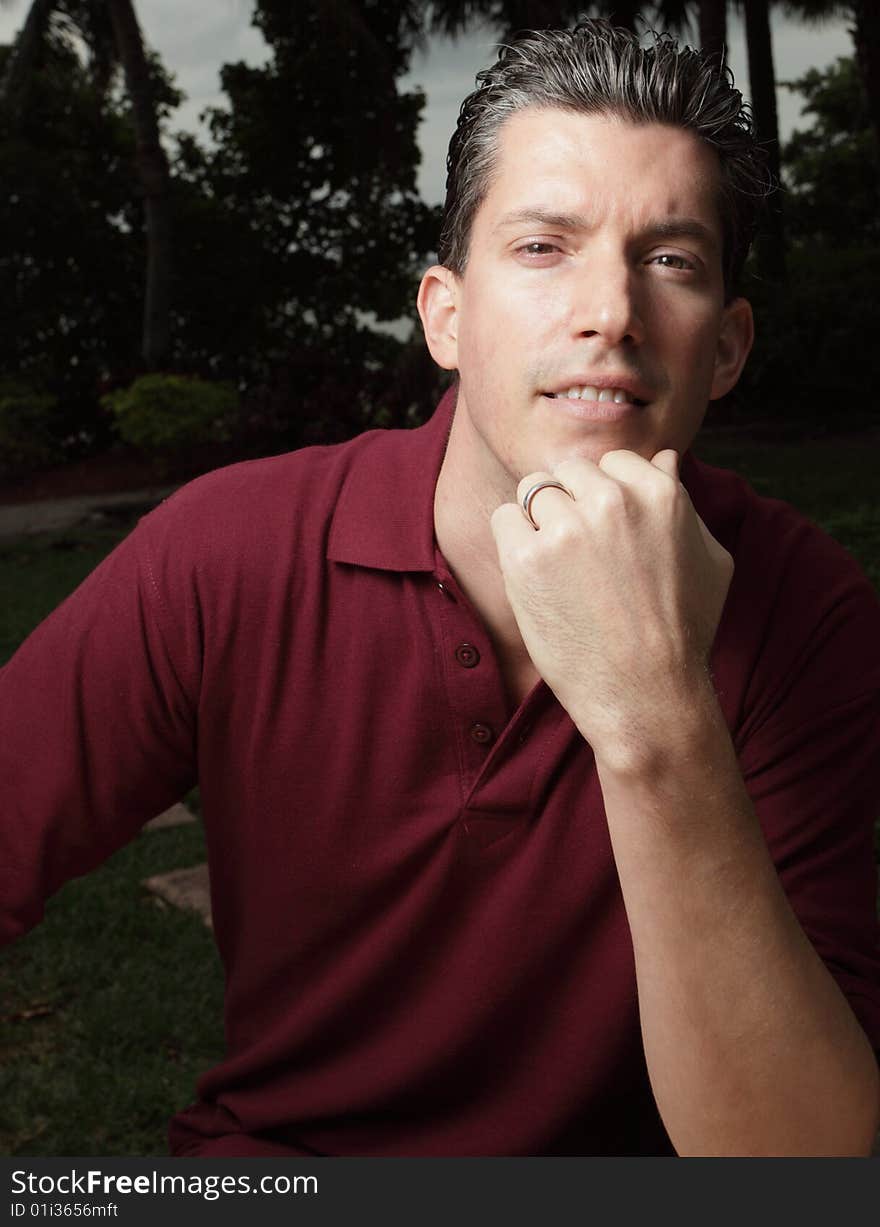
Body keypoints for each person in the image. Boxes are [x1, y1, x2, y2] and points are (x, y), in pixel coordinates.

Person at [2, 20, 879, 1157]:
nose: (609, 311)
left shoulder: (806, 611)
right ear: (445, 316)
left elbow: (801, 1163)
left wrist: (656, 722)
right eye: (542, 246)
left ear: (726, 346)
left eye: (669, 260)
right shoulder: (226, 553)